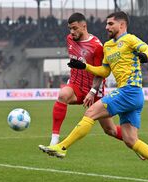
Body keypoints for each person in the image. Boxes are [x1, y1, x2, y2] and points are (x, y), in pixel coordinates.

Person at [40, 11, 148, 182]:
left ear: (122, 25)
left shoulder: (130, 39)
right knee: (130, 140)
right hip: (130, 95)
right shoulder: (108, 47)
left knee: (90, 112)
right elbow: (104, 72)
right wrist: (85, 66)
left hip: (129, 91)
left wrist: (145, 56)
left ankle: (62, 147)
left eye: (111, 24)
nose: (107, 27)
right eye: (106, 24)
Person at [38, 13, 123, 149]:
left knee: (110, 130)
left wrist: (92, 91)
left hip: (94, 91)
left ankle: (134, 142)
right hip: (76, 86)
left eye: (75, 28)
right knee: (63, 95)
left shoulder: (96, 46)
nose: (72, 32)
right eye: (70, 29)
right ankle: (54, 141)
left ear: (84, 26)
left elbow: (100, 73)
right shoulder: (70, 39)